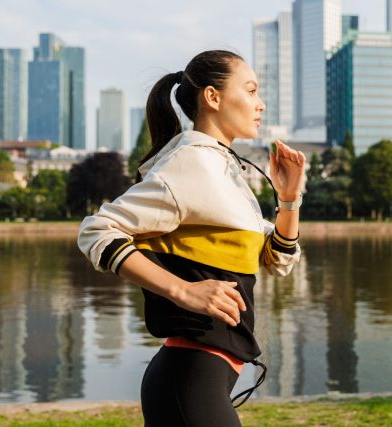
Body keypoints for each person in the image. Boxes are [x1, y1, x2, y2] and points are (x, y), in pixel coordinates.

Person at [78, 49, 305, 426]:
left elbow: (278, 259)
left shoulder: (223, 168)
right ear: (212, 97)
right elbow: (97, 231)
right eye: (250, 91)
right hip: (189, 378)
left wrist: (289, 199)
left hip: (205, 379)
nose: (260, 103)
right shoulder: (191, 164)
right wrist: (183, 290)